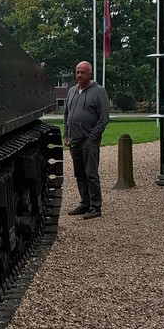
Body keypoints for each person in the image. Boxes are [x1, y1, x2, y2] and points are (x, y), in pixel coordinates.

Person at [63, 60, 109, 219]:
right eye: (77, 72)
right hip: (74, 141)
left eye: (83, 72)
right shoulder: (71, 91)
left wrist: (93, 137)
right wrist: (66, 135)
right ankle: (85, 203)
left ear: (90, 74)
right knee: (79, 174)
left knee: (91, 174)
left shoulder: (99, 92)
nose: (79, 75)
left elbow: (103, 119)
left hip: (89, 141)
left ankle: (95, 207)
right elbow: (67, 115)